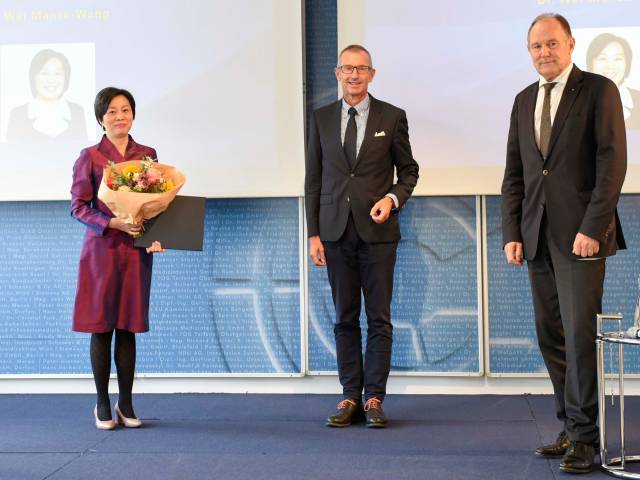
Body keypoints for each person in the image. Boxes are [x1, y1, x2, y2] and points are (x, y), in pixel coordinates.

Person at [501, 14, 627, 474]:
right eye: (535, 46)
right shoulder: (521, 100)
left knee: (578, 339)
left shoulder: (598, 90)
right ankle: (570, 427)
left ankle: (586, 440)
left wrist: (593, 227)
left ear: (571, 43)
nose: (544, 52)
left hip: (582, 239)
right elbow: (515, 174)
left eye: (552, 43)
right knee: (551, 336)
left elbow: (612, 164)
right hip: (535, 237)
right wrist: (512, 232)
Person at [305, 45, 419, 428]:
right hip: (335, 232)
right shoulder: (320, 118)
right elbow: (314, 179)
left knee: (379, 318)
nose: (354, 75)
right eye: (347, 69)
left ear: (373, 73)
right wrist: (314, 234)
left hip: (379, 233)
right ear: (337, 73)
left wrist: (392, 198)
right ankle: (350, 396)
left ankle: (374, 398)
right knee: (344, 318)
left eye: (361, 69)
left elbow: (409, 171)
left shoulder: (392, 116)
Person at [70, 87, 164, 430]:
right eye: (111, 111)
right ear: (100, 119)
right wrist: (110, 221)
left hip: (135, 252)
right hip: (101, 251)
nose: (119, 116)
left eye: (125, 110)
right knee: (102, 327)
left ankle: (126, 402)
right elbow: (78, 207)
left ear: (133, 115)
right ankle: (102, 403)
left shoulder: (147, 155)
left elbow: (156, 205)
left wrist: (157, 237)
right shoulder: (90, 156)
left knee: (128, 327)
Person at [6, 49, 88, 143]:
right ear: (33, 77)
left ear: (66, 78)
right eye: (44, 73)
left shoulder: (77, 112)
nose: (51, 80)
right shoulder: (18, 115)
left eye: (58, 73)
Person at [586, 32, 640, 129]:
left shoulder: (638, 99)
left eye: (618, 59)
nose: (610, 65)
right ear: (591, 62)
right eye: (603, 58)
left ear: (627, 64)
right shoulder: (576, 99)